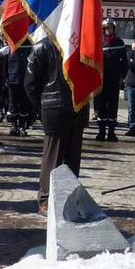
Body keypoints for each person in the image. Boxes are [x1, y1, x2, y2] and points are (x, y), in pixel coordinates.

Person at [25, 37, 88, 214]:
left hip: (78, 106)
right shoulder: (43, 46)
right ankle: (46, 199)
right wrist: (44, 104)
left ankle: (69, 198)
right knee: (53, 157)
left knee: (73, 159)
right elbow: (30, 83)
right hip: (54, 106)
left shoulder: (84, 43)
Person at [95, 18, 127, 141]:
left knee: (113, 107)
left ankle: (111, 133)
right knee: (100, 106)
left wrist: (122, 77)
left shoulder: (120, 43)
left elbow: (124, 63)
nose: (108, 30)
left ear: (114, 29)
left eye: (110, 28)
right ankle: (101, 132)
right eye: (106, 28)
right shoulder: (98, 42)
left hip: (114, 80)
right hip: (100, 80)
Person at [6, 44, 34, 135]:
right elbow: (5, 63)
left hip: (24, 78)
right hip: (12, 78)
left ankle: (22, 126)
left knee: (24, 104)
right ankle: (13, 125)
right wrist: (5, 77)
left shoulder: (28, 45)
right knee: (12, 104)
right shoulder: (11, 45)